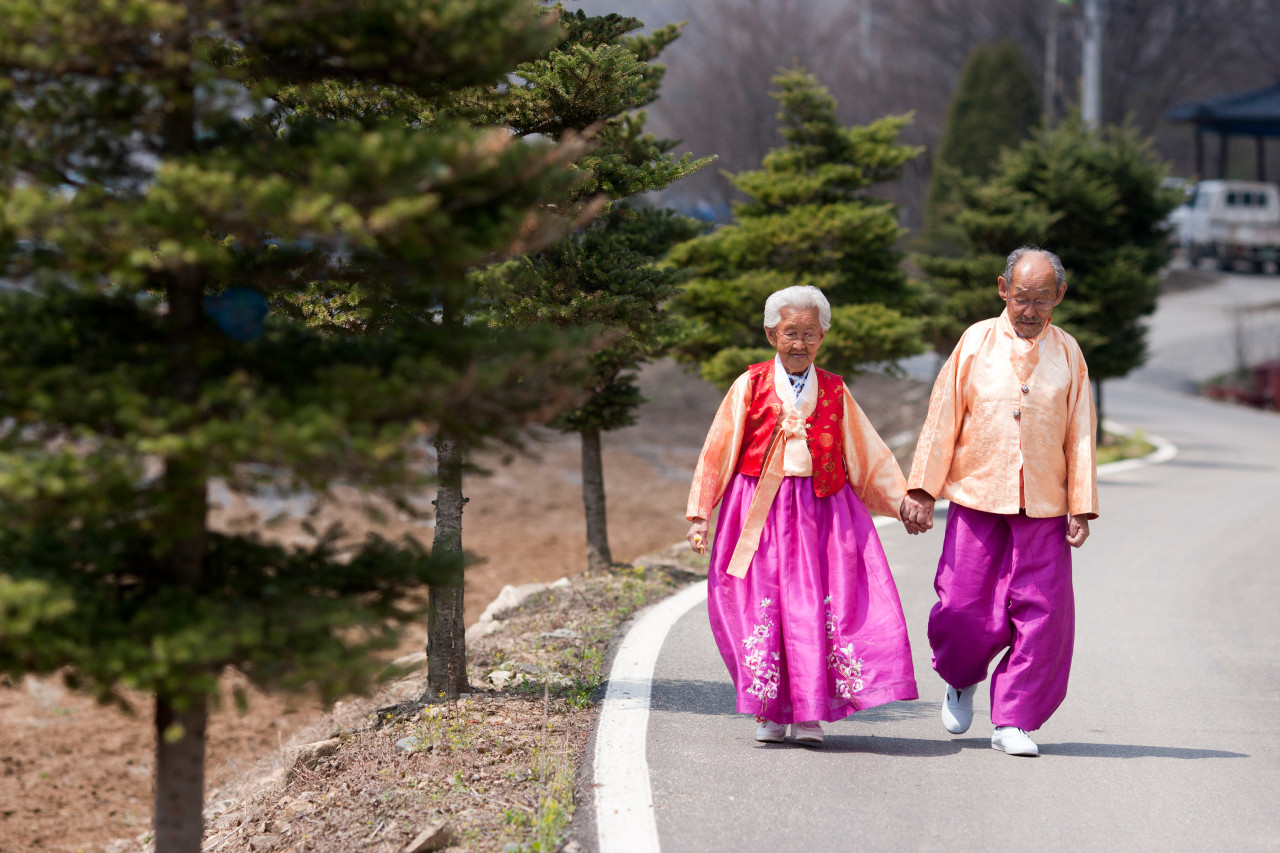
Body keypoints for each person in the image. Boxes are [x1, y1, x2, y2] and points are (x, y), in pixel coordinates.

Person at [685, 285, 917, 746]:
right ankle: (769, 712)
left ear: (822, 337)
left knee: (816, 606)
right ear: (771, 334)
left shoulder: (834, 389)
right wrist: (700, 513)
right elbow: (718, 450)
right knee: (762, 606)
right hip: (758, 511)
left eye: (810, 334)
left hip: (821, 512)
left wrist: (903, 501)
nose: (800, 343)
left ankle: (809, 713)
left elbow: (866, 453)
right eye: (791, 332)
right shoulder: (749, 385)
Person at [900, 246, 1098, 757]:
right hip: (978, 495)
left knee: (1043, 616)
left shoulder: (1069, 352)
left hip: (1044, 505)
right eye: (1021, 297)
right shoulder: (974, 341)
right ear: (1002, 289)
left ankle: (1014, 719)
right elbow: (943, 415)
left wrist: (1081, 504)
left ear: (1060, 296)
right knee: (962, 606)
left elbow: (1080, 432)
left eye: (1042, 299)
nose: (1030, 310)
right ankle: (961, 677)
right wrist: (922, 487)